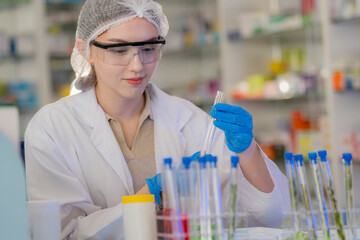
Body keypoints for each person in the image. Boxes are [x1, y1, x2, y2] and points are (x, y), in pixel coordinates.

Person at [25, 0, 290, 239]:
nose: (137, 65)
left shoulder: (191, 120)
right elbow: (63, 233)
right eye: (119, 50)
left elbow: (267, 218)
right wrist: (151, 195)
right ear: (86, 50)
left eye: (148, 48)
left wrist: (248, 152)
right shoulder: (51, 128)